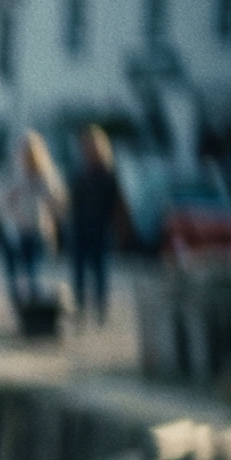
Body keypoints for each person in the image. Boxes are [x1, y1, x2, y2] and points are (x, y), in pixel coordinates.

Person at [0, 129, 67, 319]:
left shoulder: (45, 174)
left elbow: (57, 203)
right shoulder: (12, 173)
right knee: (14, 275)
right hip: (14, 231)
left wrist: (52, 218)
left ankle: (34, 315)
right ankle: (19, 312)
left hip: (36, 231)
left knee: (33, 273)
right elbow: (3, 202)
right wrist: (15, 212)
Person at [68, 125, 127, 326]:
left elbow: (116, 205)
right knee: (79, 274)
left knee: (99, 273)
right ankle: (80, 310)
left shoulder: (108, 173)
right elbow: (72, 201)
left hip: (100, 229)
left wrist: (119, 231)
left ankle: (101, 311)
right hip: (80, 228)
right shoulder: (80, 172)